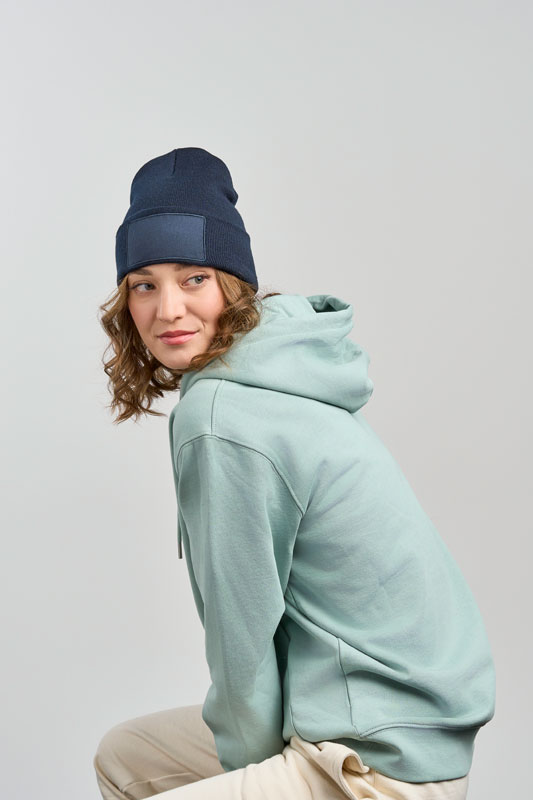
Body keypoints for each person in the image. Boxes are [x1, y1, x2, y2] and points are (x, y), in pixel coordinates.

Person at [93, 147, 496, 800]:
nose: (167, 309)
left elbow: (242, 647)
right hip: (404, 720)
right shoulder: (280, 368)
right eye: (144, 284)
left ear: (231, 285)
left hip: (376, 760)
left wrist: (245, 772)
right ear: (126, 300)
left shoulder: (219, 416)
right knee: (127, 757)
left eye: (193, 279)